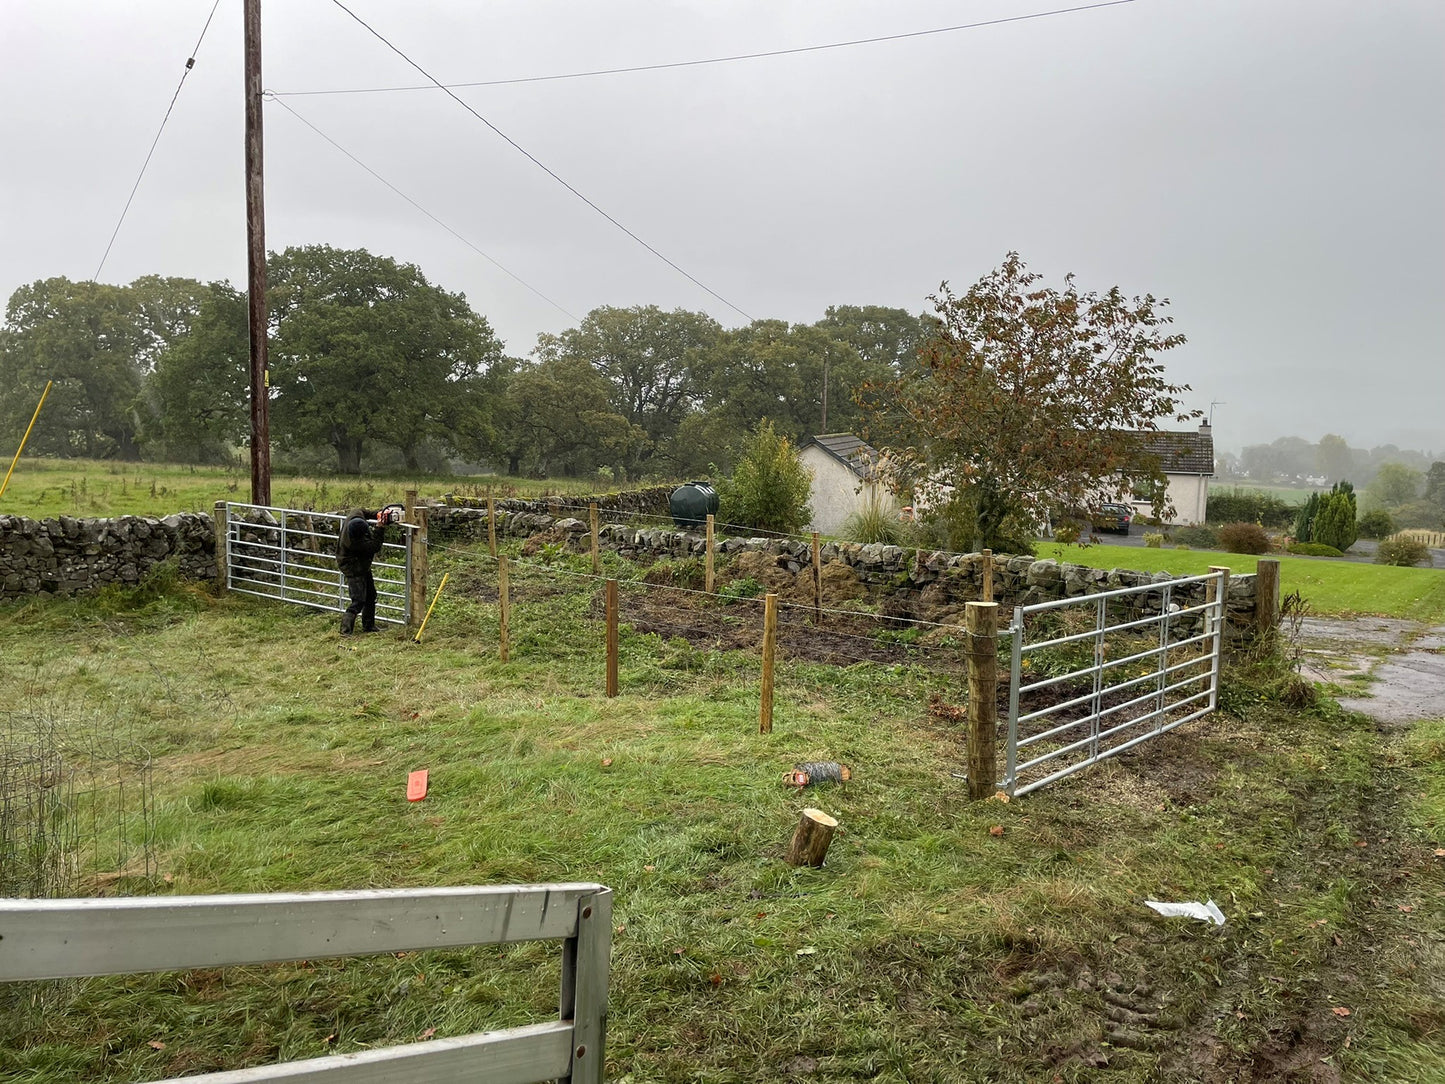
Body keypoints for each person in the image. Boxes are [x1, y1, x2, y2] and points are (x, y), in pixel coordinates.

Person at [336, 504, 403, 634]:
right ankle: (345, 631)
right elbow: (375, 546)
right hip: (353, 568)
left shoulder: (354, 516)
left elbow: (360, 509)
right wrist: (380, 527)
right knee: (358, 600)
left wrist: (378, 514)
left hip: (361, 564)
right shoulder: (355, 543)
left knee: (371, 595)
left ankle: (369, 626)